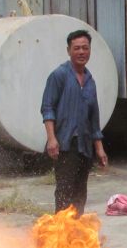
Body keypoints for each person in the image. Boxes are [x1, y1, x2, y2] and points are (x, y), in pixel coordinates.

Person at [41, 29, 108, 214]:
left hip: (84, 145)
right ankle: (61, 229)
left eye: (85, 48)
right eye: (77, 48)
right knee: (65, 190)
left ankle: (76, 228)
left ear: (90, 50)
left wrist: (99, 148)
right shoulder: (59, 75)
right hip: (65, 144)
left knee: (80, 192)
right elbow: (47, 108)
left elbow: (94, 118)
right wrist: (52, 138)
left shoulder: (90, 80)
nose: (81, 52)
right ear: (68, 50)